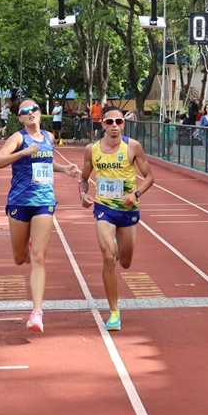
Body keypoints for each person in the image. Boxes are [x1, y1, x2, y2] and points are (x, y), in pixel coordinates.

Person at [0, 99, 80, 333]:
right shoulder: (18, 138)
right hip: (19, 202)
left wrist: (64, 169)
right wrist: (23, 153)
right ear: (20, 117)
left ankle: (37, 312)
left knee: (39, 257)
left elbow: (46, 163)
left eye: (34, 109)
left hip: (44, 202)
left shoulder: (50, 138)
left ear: (41, 113)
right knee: (20, 258)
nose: (30, 113)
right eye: (25, 111)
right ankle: (26, 246)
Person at [80, 107, 155, 332]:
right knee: (108, 258)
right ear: (102, 123)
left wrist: (136, 194)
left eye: (118, 121)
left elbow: (150, 177)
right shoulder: (91, 150)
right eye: (109, 121)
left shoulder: (132, 147)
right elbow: (84, 179)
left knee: (126, 262)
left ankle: (117, 247)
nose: (114, 125)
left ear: (123, 124)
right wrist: (82, 194)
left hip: (127, 209)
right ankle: (114, 312)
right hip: (104, 208)